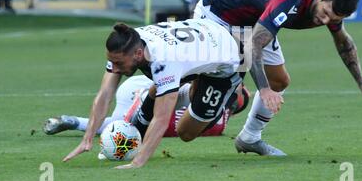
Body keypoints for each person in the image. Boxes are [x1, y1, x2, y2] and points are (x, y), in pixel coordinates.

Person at [193, 0, 362, 156]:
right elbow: (253, 46)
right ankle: (179, 90)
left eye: (333, 18)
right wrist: (264, 89)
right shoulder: (288, 1)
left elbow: (344, 42)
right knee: (191, 130)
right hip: (218, 15)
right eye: (326, 12)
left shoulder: (329, 5)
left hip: (256, 21)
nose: (326, 20)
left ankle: (250, 138)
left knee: (279, 81)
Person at [63, 18, 244, 169]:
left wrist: (138, 162)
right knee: (160, 88)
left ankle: (230, 100)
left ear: (138, 54)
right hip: (198, 47)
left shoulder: (164, 61)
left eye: (118, 63)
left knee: (186, 133)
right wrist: (86, 140)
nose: (115, 68)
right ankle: (184, 89)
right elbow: (104, 95)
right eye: (111, 62)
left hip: (227, 62)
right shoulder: (129, 40)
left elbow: (161, 119)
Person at [43, 75, 249, 138]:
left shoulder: (213, 116)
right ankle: (74, 122)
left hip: (143, 92)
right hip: (145, 90)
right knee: (121, 127)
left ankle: (72, 122)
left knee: (119, 126)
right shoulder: (214, 124)